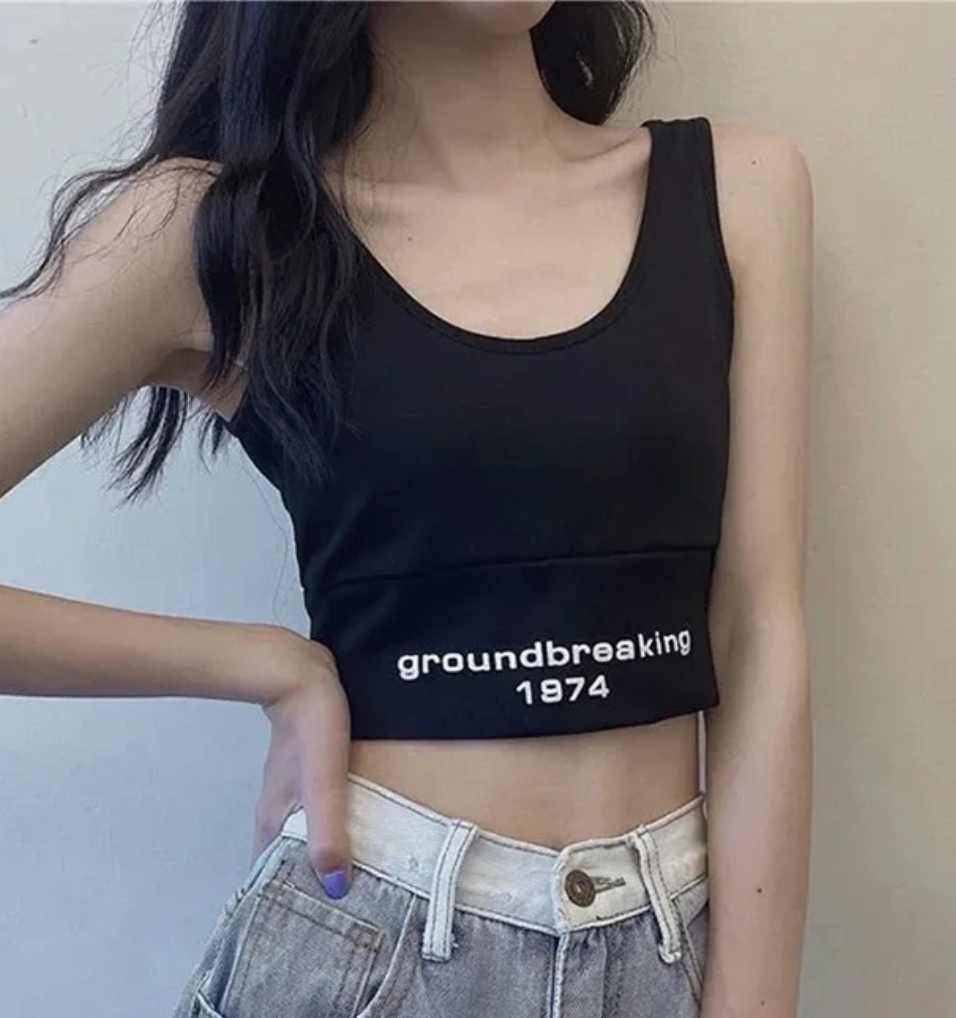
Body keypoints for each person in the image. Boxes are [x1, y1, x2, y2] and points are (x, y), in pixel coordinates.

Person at [0, 3, 813, 1016]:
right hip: (373, 938)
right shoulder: (223, 230)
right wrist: (263, 664)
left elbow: (758, 632)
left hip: (661, 943)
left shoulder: (737, 189)